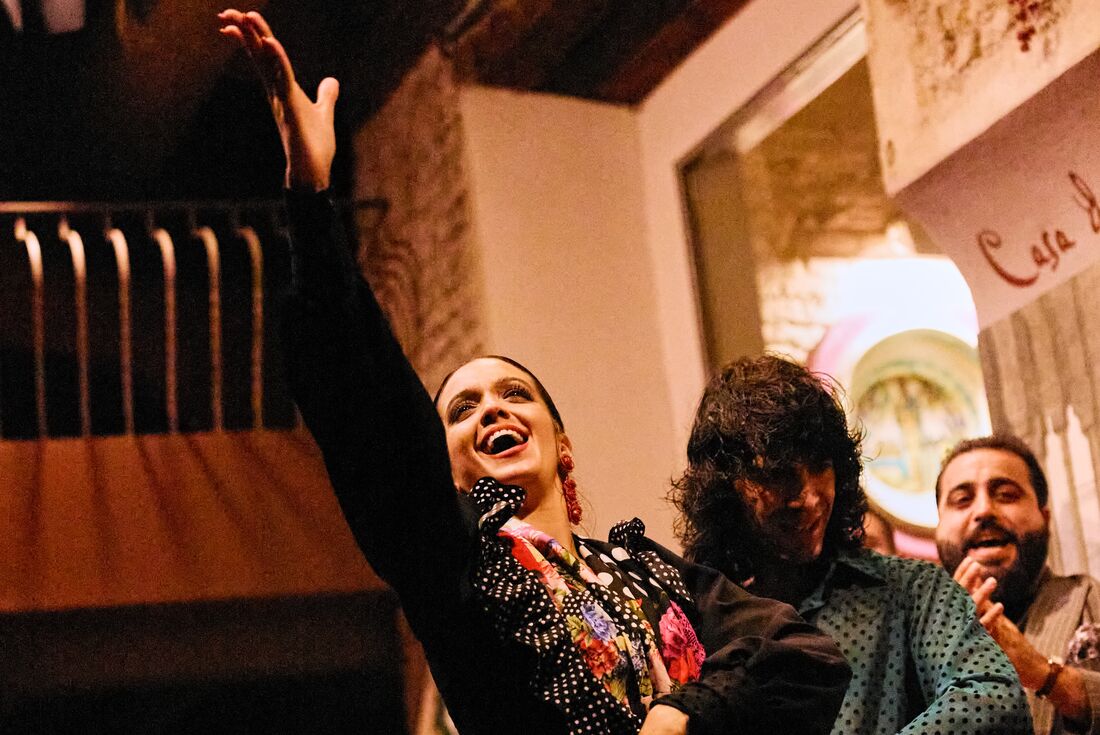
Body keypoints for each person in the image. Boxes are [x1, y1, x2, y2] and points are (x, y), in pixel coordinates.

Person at [217, 11, 852, 735]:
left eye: (514, 393)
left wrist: (683, 709)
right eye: (461, 409)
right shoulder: (454, 566)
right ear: (446, 466)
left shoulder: (648, 572)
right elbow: (364, 409)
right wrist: (311, 199)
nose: (491, 410)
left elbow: (805, 655)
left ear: (563, 442)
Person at [670, 354, 1031, 734]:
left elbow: (996, 701)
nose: (809, 497)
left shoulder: (913, 590)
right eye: (778, 475)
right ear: (724, 486)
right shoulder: (690, 616)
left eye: (820, 466)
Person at [935, 434, 1100, 734]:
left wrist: (1043, 674)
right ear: (939, 526)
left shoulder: (1090, 602)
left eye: (1007, 495)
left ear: (1044, 518)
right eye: (962, 500)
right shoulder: (910, 644)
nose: (983, 510)